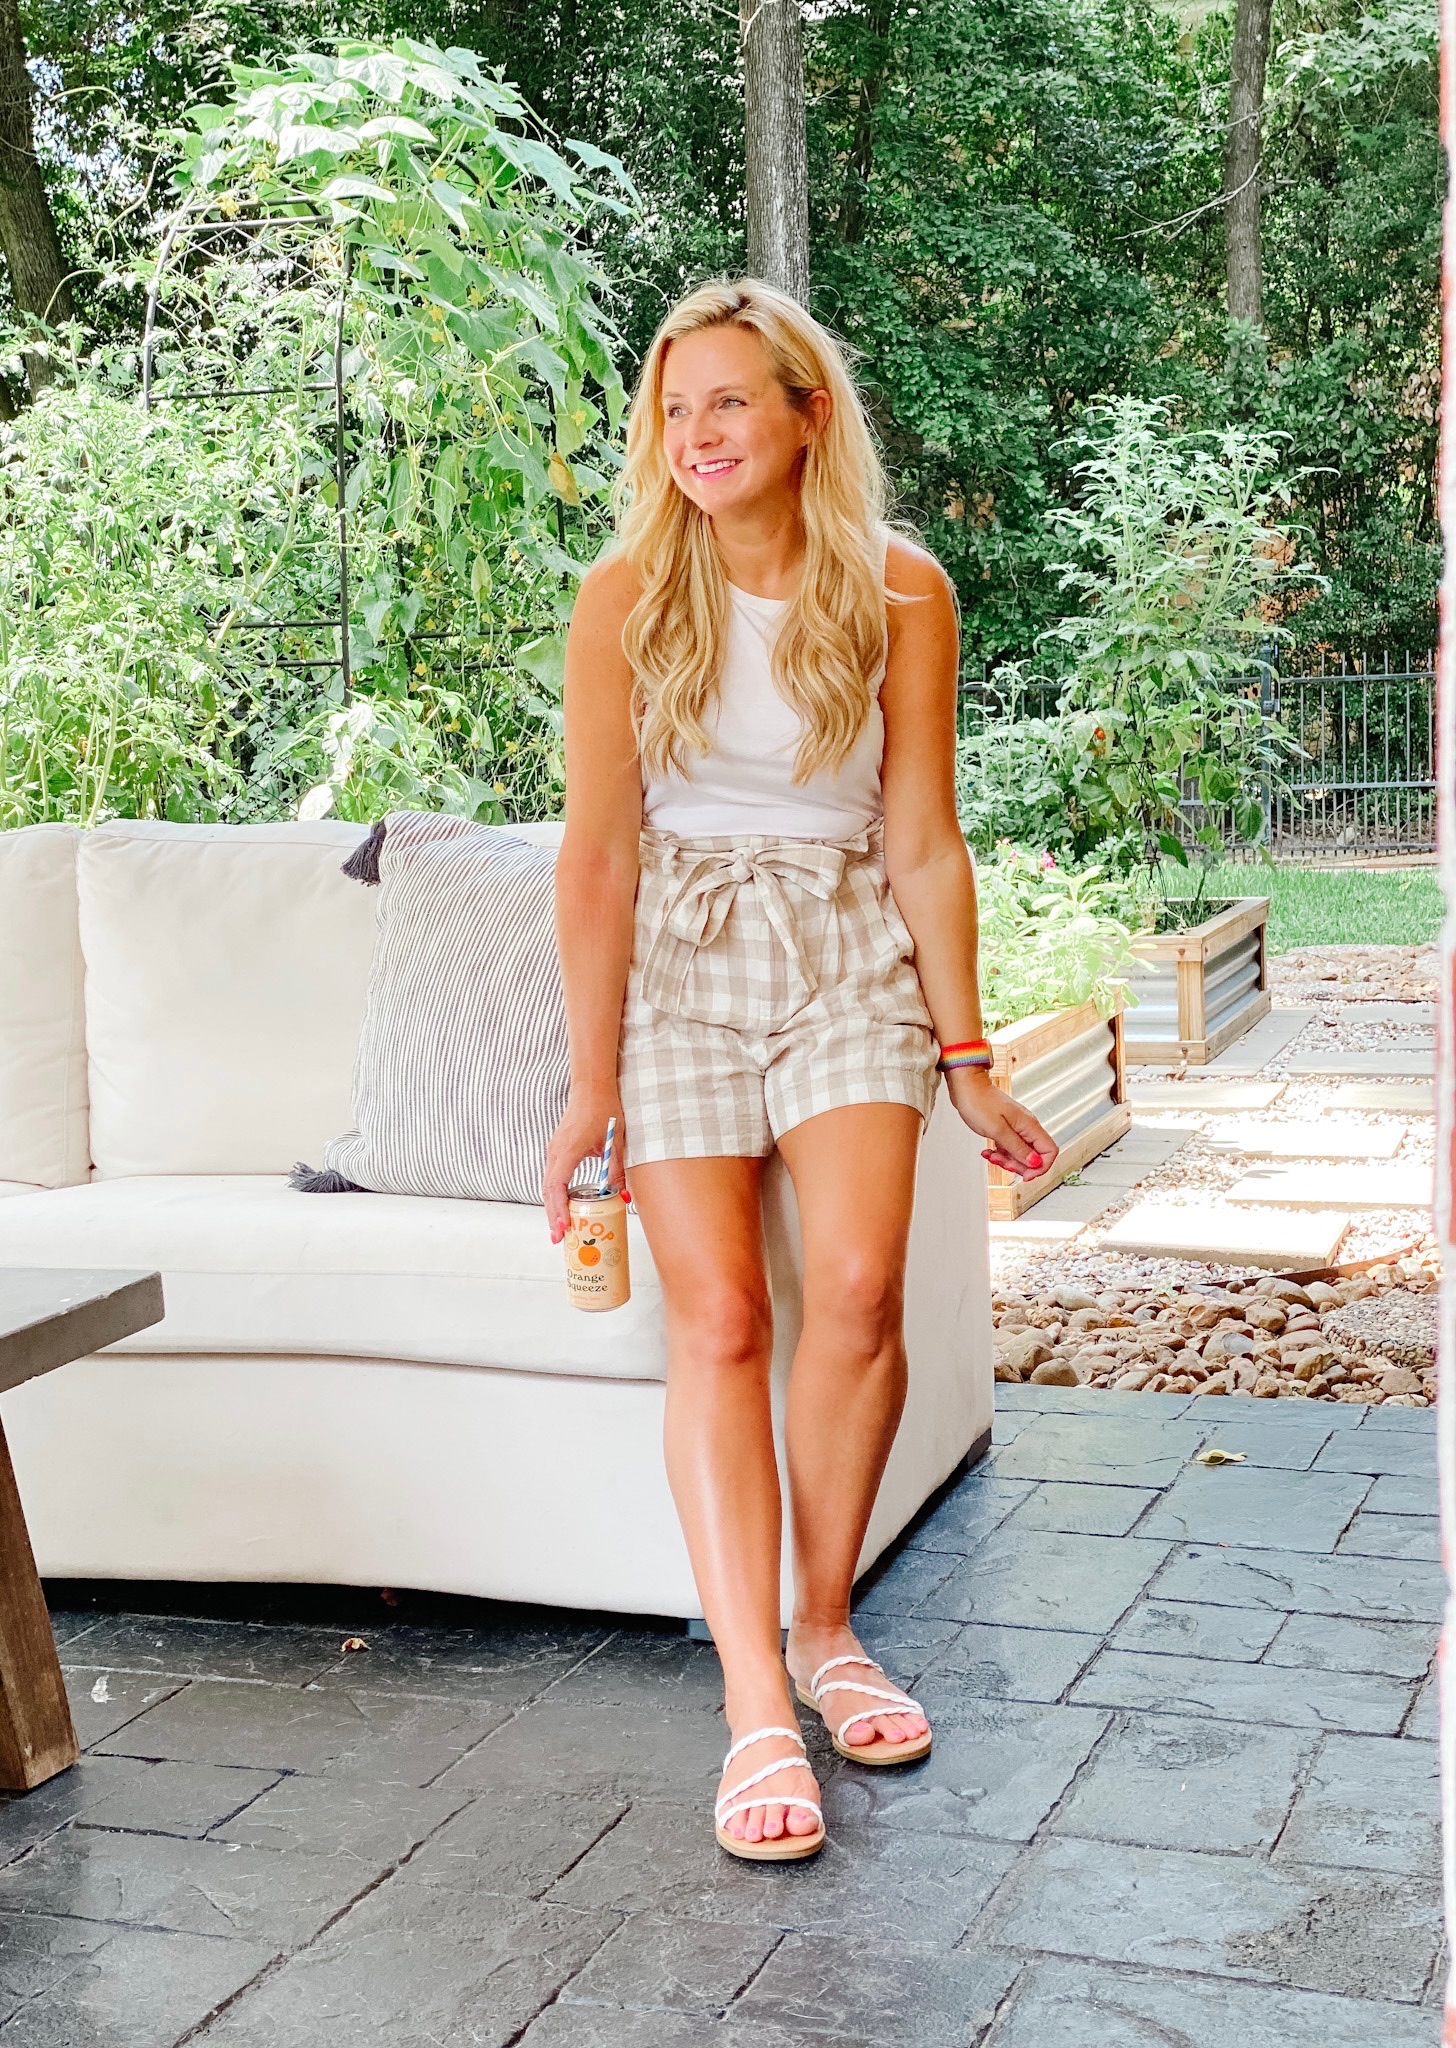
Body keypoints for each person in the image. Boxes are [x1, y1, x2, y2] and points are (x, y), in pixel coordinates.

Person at [543, 278, 1056, 1863]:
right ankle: (755, 1697)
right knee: (719, 1313)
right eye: (674, 407)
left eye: (730, 403)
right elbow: (602, 855)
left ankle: (827, 1627)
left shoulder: (902, 589)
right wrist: (585, 1085)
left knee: (853, 1288)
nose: (696, 435)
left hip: (844, 948)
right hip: (684, 958)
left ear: (805, 415)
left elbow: (920, 837)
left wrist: (967, 1052)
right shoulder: (627, 592)